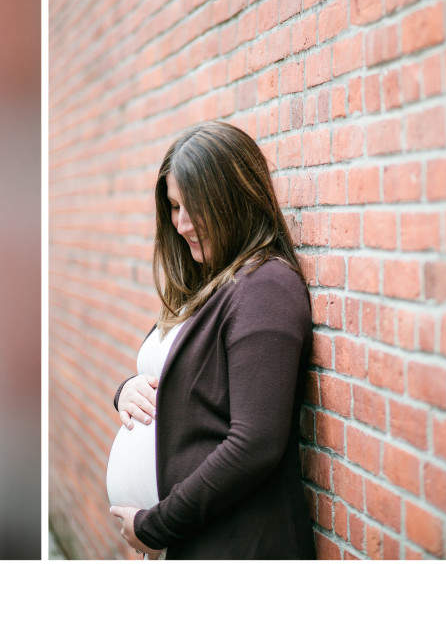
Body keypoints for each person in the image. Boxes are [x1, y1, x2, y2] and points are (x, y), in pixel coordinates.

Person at [106, 120, 315, 559]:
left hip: (238, 547)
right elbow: (177, 375)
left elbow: (254, 443)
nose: (180, 224)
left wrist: (156, 524)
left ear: (231, 198)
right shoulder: (214, 285)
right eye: (174, 207)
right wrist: (126, 391)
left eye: (192, 207)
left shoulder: (266, 287)